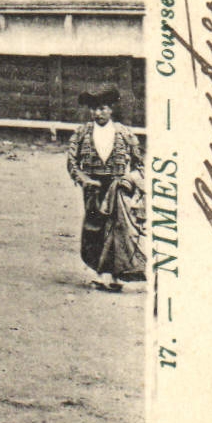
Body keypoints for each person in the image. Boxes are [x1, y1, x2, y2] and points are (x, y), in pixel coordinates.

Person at [65, 84, 145, 292]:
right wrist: (84, 180)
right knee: (94, 227)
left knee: (117, 228)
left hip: (116, 186)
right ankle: (99, 272)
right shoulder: (82, 133)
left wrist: (129, 180)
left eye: (102, 108)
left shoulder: (124, 133)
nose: (97, 113)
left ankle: (116, 275)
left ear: (111, 109)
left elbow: (139, 164)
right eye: (93, 109)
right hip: (93, 186)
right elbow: (72, 163)